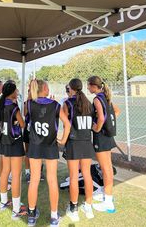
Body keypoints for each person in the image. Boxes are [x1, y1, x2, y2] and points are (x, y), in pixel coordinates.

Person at [27, 79, 71, 227]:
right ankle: (53, 216)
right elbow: (67, 124)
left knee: (34, 180)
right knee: (52, 180)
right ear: (44, 88)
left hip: (34, 146)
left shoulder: (29, 103)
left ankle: (31, 215)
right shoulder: (56, 105)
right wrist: (63, 140)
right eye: (47, 86)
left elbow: (35, 111)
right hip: (50, 145)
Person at [63, 78, 95, 222]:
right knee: (87, 175)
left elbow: (66, 126)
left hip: (74, 143)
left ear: (71, 88)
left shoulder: (67, 103)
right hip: (87, 142)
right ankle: (88, 206)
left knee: (74, 176)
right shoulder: (88, 103)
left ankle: (74, 209)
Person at [87, 76, 120, 213]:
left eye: (89, 85)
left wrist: (97, 128)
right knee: (106, 167)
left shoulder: (96, 99)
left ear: (94, 86)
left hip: (101, 137)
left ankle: (108, 202)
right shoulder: (106, 97)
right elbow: (116, 111)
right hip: (108, 136)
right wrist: (107, 125)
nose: (88, 88)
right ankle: (107, 195)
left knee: (106, 168)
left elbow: (101, 117)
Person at [0, 81, 27, 220]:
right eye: (16, 90)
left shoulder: (2, 103)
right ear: (12, 92)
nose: (17, 93)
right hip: (14, 142)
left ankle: (3, 202)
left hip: (4, 141)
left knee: (5, 172)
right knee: (16, 175)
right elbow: (22, 124)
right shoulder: (13, 106)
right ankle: (16, 209)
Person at [23, 86, 45, 183]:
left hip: (39, 130)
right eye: (30, 92)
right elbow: (25, 113)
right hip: (28, 130)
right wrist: (29, 97)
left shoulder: (40, 103)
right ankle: (28, 172)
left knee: (40, 151)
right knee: (28, 152)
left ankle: (39, 171)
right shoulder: (27, 103)